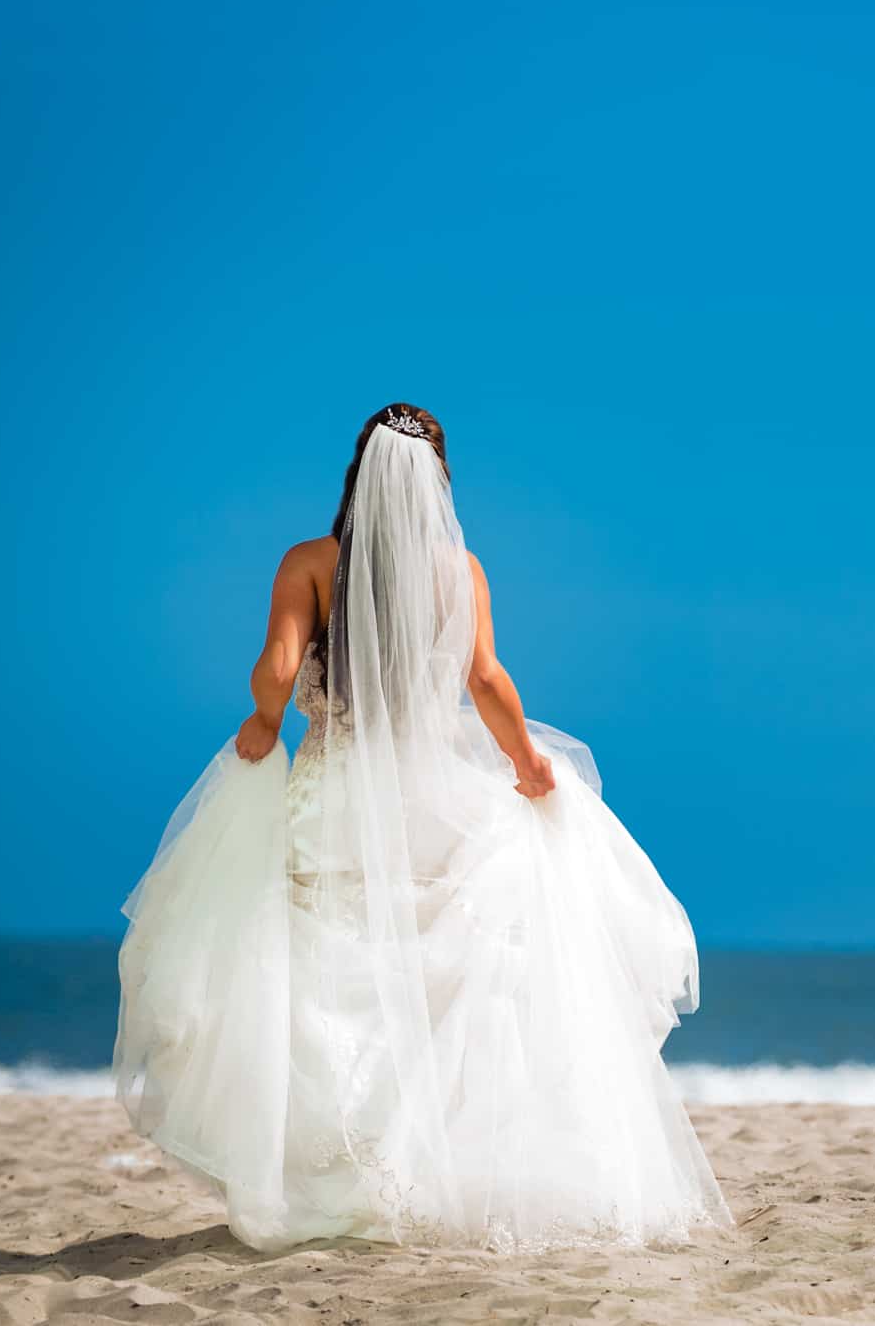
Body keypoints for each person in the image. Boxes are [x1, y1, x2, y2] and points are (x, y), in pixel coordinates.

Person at [114, 403, 731, 1252]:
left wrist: (265, 718)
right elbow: (484, 679)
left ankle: (341, 1183)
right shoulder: (460, 572)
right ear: (438, 484)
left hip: (333, 800)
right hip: (435, 801)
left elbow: (278, 675)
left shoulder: (309, 564)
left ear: (359, 476)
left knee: (330, 986)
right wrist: (527, 762)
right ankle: (428, 1177)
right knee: (443, 986)